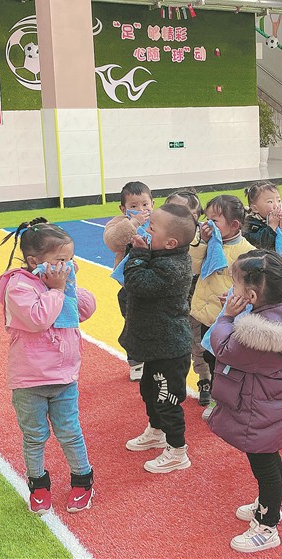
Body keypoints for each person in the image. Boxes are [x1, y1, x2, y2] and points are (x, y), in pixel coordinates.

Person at [208, 250, 282, 553]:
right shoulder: (281, 312)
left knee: (264, 462)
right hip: (268, 397)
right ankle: (268, 504)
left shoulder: (256, 334)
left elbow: (224, 348)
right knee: (267, 456)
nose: (232, 289)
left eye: (235, 283)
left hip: (257, 403)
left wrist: (228, 317)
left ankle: (268, 523)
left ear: (253, 295)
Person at [0, 219, 97, 513]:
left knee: (70, 432)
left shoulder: (59, 285)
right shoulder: (18, 287)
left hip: (64, 377)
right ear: (35, 262)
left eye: (70, 259)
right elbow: (38, 319)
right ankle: (38, 485)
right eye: (61, 260)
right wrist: (57, 289)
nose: (67, 265)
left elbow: (85, 310)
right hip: (30, 380)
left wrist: (69, 285)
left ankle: (83, 480)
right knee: (35, 436)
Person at [120, 203, 198, 473]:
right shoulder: (162, 255)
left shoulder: (174, 266)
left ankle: (177, 451)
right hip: (155, 345)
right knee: (149, 391)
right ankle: (156, 431)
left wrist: (138, 254)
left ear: (171, 243)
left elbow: (137, 282)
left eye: (152, 228)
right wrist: (138, 251)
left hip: (170, 349)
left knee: (167, 399)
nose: (146, 231)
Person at [190, 195, 255, 419]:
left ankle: (233, 400)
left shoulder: (247, 251)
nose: (207, 225)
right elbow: (194, 267)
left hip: (229, 317)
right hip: (207, 315)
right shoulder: (208, 243)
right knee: (210, 358)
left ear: (234, 225)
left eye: (214, 220)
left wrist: (237, 295)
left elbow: (252, 284)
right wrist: (202, 242)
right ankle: (217, 399)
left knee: (229, 362)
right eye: (206, 219)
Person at [104, 181, 155, 383]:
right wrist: (133, 224)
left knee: (155, 322)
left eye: (145, 204)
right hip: (130, 287)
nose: (141, 210)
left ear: (153, 204)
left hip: (153, 284)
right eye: (133, 206)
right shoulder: (119, 223)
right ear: (123, 209)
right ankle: (135, 361)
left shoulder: (158, 221)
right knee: (133, 324)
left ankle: (154, 358)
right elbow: (112, 242)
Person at [165, 189, 212, 407]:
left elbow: (197, 266)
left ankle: (205, 380)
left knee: (199, 342)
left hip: (195, 300)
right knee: (171, 345)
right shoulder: (158, 233)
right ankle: (168, 382)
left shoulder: (203, 236)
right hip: (169, 303)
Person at [242, 180, 282, 257]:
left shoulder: (281, 222)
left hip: (281, 263)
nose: (276, 205)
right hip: (261, 263)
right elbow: (258, 246)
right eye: (270, 202)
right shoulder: (249, 225)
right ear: (255, 208)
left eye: (279, 201)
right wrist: (271, 227)